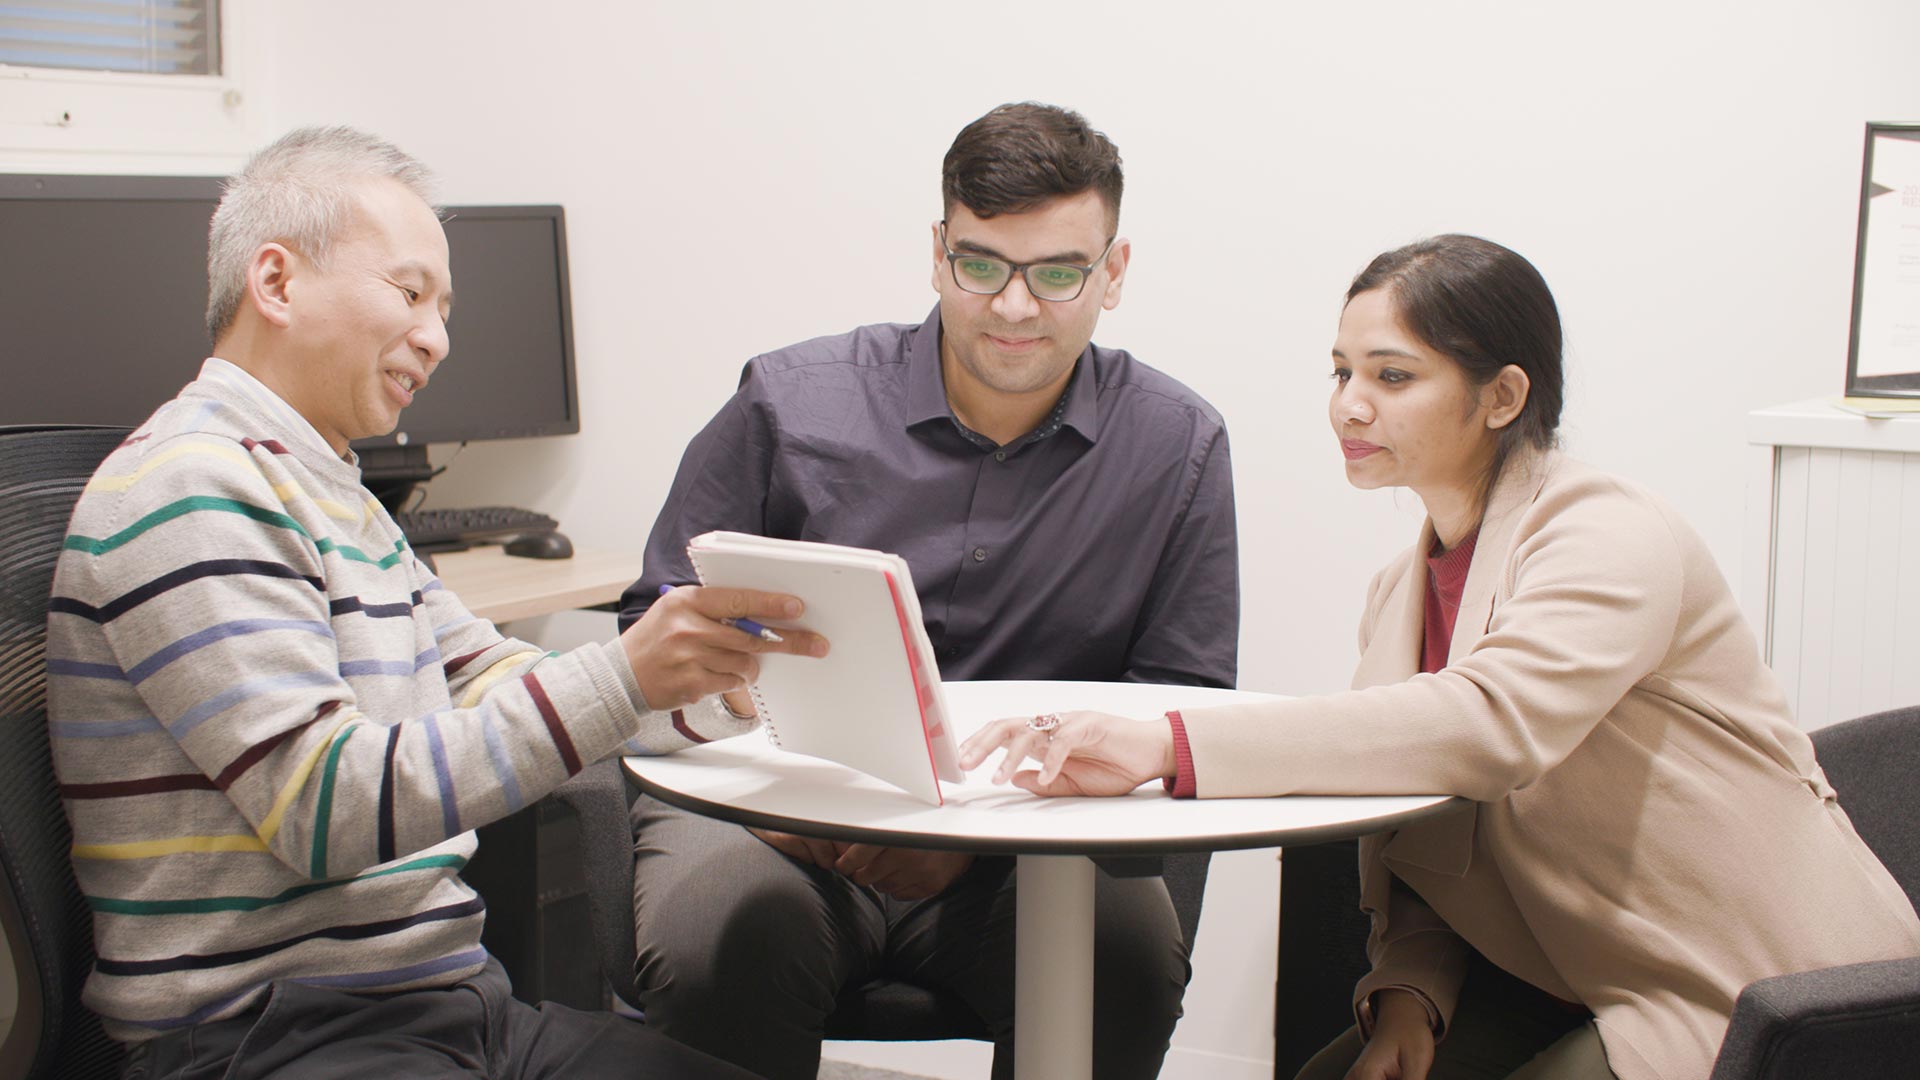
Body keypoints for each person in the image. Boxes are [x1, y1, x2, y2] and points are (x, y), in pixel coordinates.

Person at [958, 234, 1920, 1080]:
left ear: (1502, 396)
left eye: (1392, 376)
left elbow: (1488, 727)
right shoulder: (1398, 593)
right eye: (1339, 372)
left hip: (1747, 982)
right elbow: (1423, 846)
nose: (1349, 406)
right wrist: (1410, 998)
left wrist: (1170, 742)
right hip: (1564, 972)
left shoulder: (1609, 532)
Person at [47, 126, 827, 1079]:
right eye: (410, 293)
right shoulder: (187, 487)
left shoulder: (339, 495)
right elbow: (324, 805)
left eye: (445, 308)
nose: (438, 337)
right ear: (277, 282)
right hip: (268, 1037)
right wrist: (625, 677)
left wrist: (704, 693)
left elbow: (494, 674)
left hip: (440, 1008)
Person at [616, 101, 1238, 1079]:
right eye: (982, 265)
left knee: (1118, 963)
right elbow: (654, 632)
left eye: (1058, 273)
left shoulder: (1178, 448)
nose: (1014, 306)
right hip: (772, 823)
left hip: (1029, 854)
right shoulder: (788, 403)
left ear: (1113, 273)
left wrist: (970, 845)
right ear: (939, 251)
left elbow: (1181, 705)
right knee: (724, 943)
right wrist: (756, 755)